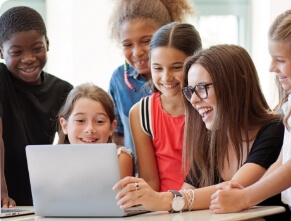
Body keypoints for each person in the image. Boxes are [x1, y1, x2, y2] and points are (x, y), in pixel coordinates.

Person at [113, 44, 291, 221]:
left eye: (203, 87)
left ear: (239, 83)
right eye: (190, 91)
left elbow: (232, 190)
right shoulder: (211, 140)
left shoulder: (275, 130)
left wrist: (161, 199)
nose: (194, 100)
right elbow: (186, 193)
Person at [209, 3, 291, 221]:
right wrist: (248, 192)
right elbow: (283, 161)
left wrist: (246, 197)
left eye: (280, 60)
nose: (271, 67)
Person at [0, 6, 73, 207]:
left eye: (36, 48)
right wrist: (2, 192)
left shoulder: (63, 90)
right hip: (5, 194)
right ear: (0, 51)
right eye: (16, 52)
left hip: (40, 196)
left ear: (47, 44)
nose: (29, 58)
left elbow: (66, 147)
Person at [108, 0, 194, 168]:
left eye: (146, 41)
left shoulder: (192, 79)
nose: (137, 52)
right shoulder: (119, 79)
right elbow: (116, 136)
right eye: (127, 44)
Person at [129, 22, 202, 192]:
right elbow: (150, 180)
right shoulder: (141, 113)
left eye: (176, 67)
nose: (166, 77)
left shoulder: (208, 107)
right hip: (163, 208)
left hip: (206, 205)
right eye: (157, 68)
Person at [57, 83, 134, 178]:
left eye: (99, 121)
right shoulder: (55, 160)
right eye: (80, 121)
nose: (90, 129)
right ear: (64, 125)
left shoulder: (119, 158)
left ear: (112, 127)